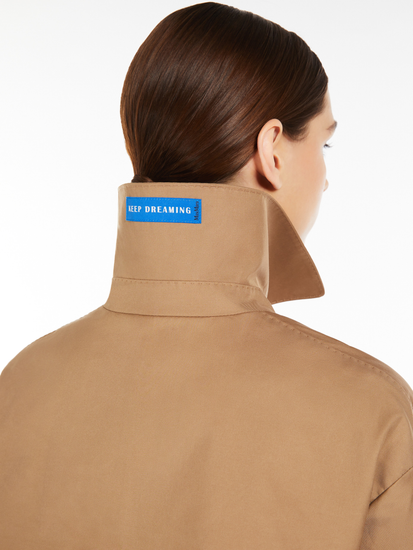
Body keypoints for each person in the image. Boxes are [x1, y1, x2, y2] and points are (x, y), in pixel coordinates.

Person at [0, 2, 412, 548]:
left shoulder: (19, 387)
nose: (327, 178)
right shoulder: (371, 411)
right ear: (272, 150)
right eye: (324, 142)